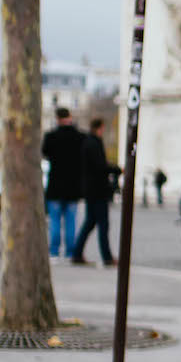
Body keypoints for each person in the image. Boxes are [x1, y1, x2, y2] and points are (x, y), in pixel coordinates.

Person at [42, 105, 84, 259]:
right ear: (70, 117)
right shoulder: (80, 137)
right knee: (71, 222)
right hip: (73, 186)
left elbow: (45, 153)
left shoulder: (51, 137)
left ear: (57, 119)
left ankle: (54, 250)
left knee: (54, 221)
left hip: (55, 185)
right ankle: (70, 251)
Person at [72, 119, 115, 266]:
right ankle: (107, 257)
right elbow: (100, 166)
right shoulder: (93, 143)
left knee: (90, 222)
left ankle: (77, 253)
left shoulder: (88, 142)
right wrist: (115, 169)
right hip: (97, 190)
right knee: (103, 224)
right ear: (99, 128)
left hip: (91, 190)